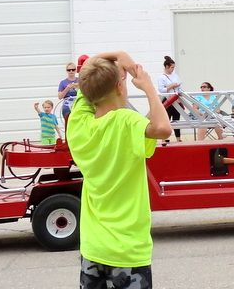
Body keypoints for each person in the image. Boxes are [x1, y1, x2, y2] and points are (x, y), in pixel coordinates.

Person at [66, 51, 171, 289]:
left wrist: (118, 60)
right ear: (119, 88)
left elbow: (88, 79)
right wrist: (148, 87)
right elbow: (163, 128)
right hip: (127, 250)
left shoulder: (78, 123)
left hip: (93, 247)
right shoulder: (125, 121)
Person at [157, 56, 183, 143]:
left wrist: (179, 95)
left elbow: (180, 86)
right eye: (172, 67)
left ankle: (178, 138)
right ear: (167, 67)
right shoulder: (161, 77)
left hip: (176, 99)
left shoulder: (175, 75)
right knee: (166, 119)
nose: (173, 69)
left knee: (176, 119)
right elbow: (161, 90)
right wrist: (171, 86)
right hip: (167, 100)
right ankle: (164, 138)